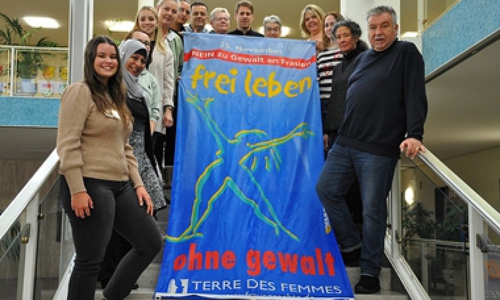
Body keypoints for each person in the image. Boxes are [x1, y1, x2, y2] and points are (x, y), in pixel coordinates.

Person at [316, 5, 428, 294]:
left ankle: (370, 272)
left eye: (384, 26)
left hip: (378, 148)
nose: (378, 32)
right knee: (326, 189)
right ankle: (352, 244)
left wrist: (414, 134)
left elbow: (415, 94)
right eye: (374, 27)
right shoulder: (364, 58)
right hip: (345, 142)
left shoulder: (405, 53)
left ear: (396, 28)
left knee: (373, 211)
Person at [57, 35, 162, 300]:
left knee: (150, 242)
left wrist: (138, 185)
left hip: (120, 184)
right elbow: (68, 144)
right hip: (90, 184)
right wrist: (77, 190)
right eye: (102, 56)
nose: (108, 61)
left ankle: (112, 296)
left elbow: (125, 146)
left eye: (113, 56)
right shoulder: (80, 91)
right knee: (90, 259)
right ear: (91, 59)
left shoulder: (116, 96)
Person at [322, 20, 369, 235]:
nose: (341, 40)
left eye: (345, 35)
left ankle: (358, 234)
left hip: (357, 133)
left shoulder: (365, 60)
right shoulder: (339, 65)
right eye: (338, 37)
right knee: (333, 188)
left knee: (355, 189)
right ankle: (348, 238)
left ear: (356, 37)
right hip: (336, 133)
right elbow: (333, 100)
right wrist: (327, 129)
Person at [130, 5, 176, 181]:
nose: (147, 23)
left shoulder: (165, 51)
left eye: (150, 19)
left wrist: (168, 109)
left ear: (157, 22)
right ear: (137, 22)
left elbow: (168, 83)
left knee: (151, 152)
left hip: (153, 110)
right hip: (131, 108)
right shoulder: (126, 47)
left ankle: (151, 191)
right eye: (143, 19)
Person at [316, 11, 344, 123]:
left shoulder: (344, 51)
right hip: (322, 102)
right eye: (326, 25)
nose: (329, 28)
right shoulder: (321, 54)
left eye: (332, 24)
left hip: (339, 102)